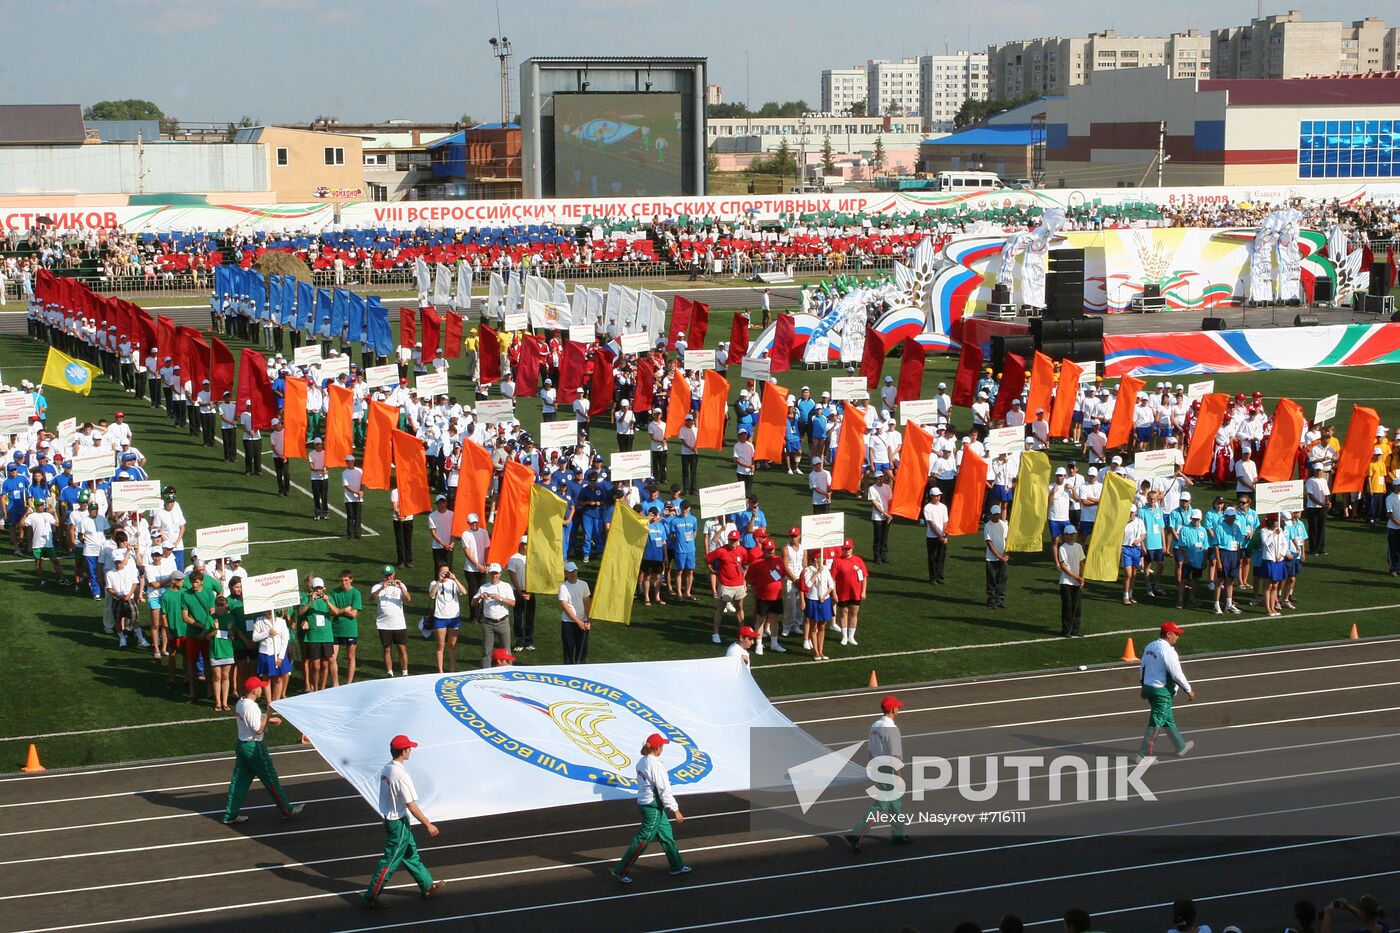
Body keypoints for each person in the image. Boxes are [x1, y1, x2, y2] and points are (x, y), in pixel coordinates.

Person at [362, 734, 445, 909]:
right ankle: (370, 898)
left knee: (410, 853)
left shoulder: (387, 769)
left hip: (393, 819)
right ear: (404, 751)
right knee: (389, 862)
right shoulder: (401, 775)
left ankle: (427, 886)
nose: (411, 750)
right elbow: (411, 805)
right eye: (409, 748)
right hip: (398, 822)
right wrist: (428, 824)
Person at [222, 676, 303, 825]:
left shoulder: (240, 703)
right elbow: (258, 730)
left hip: (241, 745)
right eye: (260, 687)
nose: (262, 689)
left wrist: (268, 720)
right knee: (270, 779)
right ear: (254, 690)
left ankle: (230, 815)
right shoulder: (251, 706)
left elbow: (250, 721)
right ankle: (287, 810)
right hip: (253, 748)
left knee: (239, 782)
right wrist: (269, 713)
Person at [611, 732, 690, 884]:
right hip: (652, 807)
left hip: (649, 804)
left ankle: (677, 866)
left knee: (666, 835)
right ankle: (620, 871)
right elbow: (664, 790)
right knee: (643, 840)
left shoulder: (642, 761)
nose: (663, 748)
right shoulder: (655, 766)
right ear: (657, 748)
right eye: (662, 746)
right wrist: (675, 810)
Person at [846, 695, 910, 852]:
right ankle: (856, 834)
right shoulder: (891, 728)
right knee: (882, 804)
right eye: (898, 707)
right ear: (893, 709)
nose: (899, 709)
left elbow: (870, 750)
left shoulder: (875, 725)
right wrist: (899, 776)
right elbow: (895, 755)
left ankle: (898, 835)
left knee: (895, 803)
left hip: (876, 765)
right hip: (888, 769)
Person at [1138, 621, 1196, 761]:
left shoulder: (1150, 646)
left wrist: (1143, 685)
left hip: (1149, 688)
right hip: (1162, 692)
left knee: (1167, 718)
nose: (1177, 637)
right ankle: (1143, 755)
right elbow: (1176, 673)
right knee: (1156, 723)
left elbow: (1143, 666)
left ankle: (1180, 746)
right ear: (1169, 634)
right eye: (1176, 634)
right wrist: (1188, 689)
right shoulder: (1168, 651)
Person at [706, 530, 748, 644]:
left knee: (740, 608)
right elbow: (708, 558)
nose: (733, 542)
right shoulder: (721, 551)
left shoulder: (742, 551)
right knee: (720, 609)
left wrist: (743, 579)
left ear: (738, 540)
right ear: (728, 539)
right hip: (725, 585)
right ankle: (715, 633)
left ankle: (742, 633)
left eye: (735, 540)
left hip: (739, 585)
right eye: (731, 540)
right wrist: (712, 570)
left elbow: (745, 565)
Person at [473, 562, 515, 668]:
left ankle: (508, 671)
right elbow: (473, 603)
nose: (494, 576)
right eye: (492, 573)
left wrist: (500, 598)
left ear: (500, 574)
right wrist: (480, 597)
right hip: (488, 623)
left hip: (503, 622)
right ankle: (486, 673)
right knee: (486, 651)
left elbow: (513, 603)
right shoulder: (483, 587)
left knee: (507, 650)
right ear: (489, 574)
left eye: (496, 573)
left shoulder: (506, 586)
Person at [372, 565, 411, 678]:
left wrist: (401, 587)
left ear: (394, 574)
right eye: (386, 575)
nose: (389, 577)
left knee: (402, 648)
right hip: (384, 624)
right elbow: (371, 598)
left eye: (390, 575)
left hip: (399, 623)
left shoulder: (400, 585)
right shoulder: (377, 586)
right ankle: (390, 672)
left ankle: (405, 672)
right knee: (387, 648)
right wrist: (382, 588)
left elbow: (408, 598)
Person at [298, 577, 335, 691]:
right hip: (313, 637)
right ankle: (316, 688)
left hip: (326, 636)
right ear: (313, 589)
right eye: (316, 588)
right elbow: (300, 612)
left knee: (325, 664)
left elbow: (335, 612)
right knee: (315, 665)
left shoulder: (329, 598)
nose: (318, 591)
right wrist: (311, 601)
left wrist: (327, 601)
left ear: (323, 588)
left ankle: (322, 688)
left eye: (320, 588)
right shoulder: (307, 598)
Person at [427, 563, 464, 674]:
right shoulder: (434, 583)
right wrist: (439, 582)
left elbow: (464, 592)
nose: (444, 574)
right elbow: (431, 595)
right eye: (442, 571)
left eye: (446, 571)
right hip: (440, 617)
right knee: (440, 645)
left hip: (454, 618)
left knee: (452, 645)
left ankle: (453, 670)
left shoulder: (453, 583)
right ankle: (440, 671)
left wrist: (455, 579)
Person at [831, 539, 868, 646]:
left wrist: (863, 591)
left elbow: (864, 576)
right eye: (845, 549)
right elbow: (833, 578)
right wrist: (834, 593)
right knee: (844, 613)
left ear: (852, 548)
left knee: (854, 613)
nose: (847, 551)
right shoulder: (837, 561)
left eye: (848, 549)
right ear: (841, 549)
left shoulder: (858, 560)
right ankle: (844, 636)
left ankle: (851, 636)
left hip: (856, 592)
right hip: (842, 592)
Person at [329, 569, 362, 686]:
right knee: (332, 658)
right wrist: (346, 609)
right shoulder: (334, 592)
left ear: (351, 580)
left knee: (350, 657)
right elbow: (332, 612)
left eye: (346, 580)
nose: (344, 583)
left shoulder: (356, 593)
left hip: (350, 630)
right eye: (342, 580)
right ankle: (335, 683)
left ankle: (349, 683)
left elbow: (354, 614)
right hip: (335, 629)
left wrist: (339, 611)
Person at [801, 549, 835, 659]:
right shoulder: (808, 570)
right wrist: (817, 573)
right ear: (815, 559)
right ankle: (816, 652)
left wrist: (824, 596)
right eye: (821, 558)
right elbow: (808, 584)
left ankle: (821, 651)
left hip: (824, 600)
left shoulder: (826, 569)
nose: (823, 559)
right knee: (813, 626)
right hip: (812, 599)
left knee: (822, 625)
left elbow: (831, 585)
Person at [1054, 525, 1086, 637]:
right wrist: (1077, 577)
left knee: (1077, 607)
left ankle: (1075, 630)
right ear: (1065, 535)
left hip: (1076, 581)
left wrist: (1081, 576)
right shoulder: (1062, 548)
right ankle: (1066, 630)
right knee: (1067, 607)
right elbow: (1063, 566)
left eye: (1073, 534)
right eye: (1070, 534)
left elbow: (1081, 562)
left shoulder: (1078, 547)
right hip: (1066, 582)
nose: (1072, 536)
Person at [559, 560, 592, 663]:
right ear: (566, 573)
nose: (573, 574)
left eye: (574, 571)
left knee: (582, 651)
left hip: (583, 622)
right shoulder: (563, 587)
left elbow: (587, 603)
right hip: (568, 623)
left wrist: (587, 620)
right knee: (568, 650)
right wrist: (578, 621)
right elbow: (564, 606)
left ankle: (581, 669)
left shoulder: (584, 584)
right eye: (570, 572)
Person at [506, 537, 534, 651]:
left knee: (530, 617)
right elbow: (512, 576)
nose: (526, 546)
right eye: (524, 544)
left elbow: (535, 576)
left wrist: (530, 592)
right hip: (517, 591)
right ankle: (519, 642)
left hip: (530, 591)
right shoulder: (514, 558)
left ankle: (528, 641)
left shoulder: (533, 558)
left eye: (527, 544)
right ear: (521, 545)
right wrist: (519, 592)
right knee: (518, 617)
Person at [983, 504, 1010, 609]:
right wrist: (999, 556)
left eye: (997, 514)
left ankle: (1000, 600)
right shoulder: (988, 526)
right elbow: (989, 543)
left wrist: (1006, 554)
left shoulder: (1004, 525)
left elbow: (1007, 540)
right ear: (991, 514)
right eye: (994, 514)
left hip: (1003, 558)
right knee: (992, 580)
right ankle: (991, 600)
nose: (996, 516)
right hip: (992, 558)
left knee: (1003, 579)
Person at [923, 487, 949, 584]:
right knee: (932, 558)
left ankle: (940, 576)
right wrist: (939, 535)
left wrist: (944, 535)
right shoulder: (927, 507)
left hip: (942, 536)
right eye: (936, 496)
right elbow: (931, 523)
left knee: (941, 557)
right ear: (931, 496)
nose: (938, 497)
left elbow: (945, 521)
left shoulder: (943, 507)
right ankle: (933, 577)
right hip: (932, 536)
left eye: (939, 495)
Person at [868, 471, 893, 563]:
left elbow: (890, 500)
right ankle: (877, 557)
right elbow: (874, 503)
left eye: (882, 478)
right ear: (875, 479)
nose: (881, 480)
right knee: (878, 537)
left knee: (885, 537)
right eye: (879, 478)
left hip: (887, 516)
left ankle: (884, 556)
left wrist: (890, 514)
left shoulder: (887, 487)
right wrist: (884, 513)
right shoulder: (872, 488)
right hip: (877, 517)